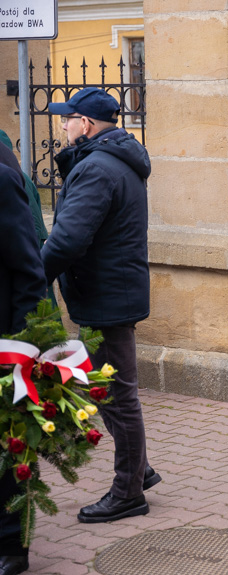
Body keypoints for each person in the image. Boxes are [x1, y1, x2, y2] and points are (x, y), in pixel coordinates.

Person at [43, 88, 160, 523]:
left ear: (87, 124)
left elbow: (69, 239)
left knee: (118, 396)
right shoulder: (113, 160)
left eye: (67, 119)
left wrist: (32, 276)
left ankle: (128, 490)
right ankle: (139, 468)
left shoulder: (96, 168)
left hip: (107, 297)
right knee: (109, 392)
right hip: (110, 293)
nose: (63, 126)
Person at [0, 131, 47, 575]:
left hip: (2, 344)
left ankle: (12, 544)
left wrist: (21, 347)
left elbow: (29, 270)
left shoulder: (2, 179)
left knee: (7, 448)